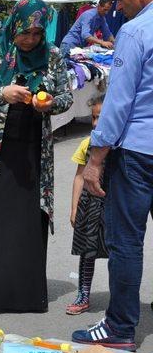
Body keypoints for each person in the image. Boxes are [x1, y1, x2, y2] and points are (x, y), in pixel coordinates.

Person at [0, 0, 73, 321]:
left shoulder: (51, 55)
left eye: (37, 34)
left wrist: (49, 103)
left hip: (32, 147)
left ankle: (24, 294)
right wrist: (2, 94)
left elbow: (66, 97)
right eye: (26, 33)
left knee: (26, 221)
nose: (30, 40)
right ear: (15, 26)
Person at [72, 0, 153, 352]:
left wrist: (96, 157)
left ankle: (120, 327)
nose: (118, 6)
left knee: (125, 242)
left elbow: (119, 100)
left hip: (137, 152)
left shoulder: (136, 32)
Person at [66, 95, 108, 316]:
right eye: (93, 118)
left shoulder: (121, 145)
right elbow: (79, 177)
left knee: (119, 252)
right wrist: (74, 208)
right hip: (89, 205)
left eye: (100, 118)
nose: (95, 123)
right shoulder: (87, 144)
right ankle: (83, 294)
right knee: (87, 251)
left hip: (112, 204)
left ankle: (121, 297)